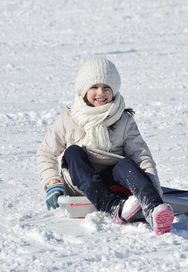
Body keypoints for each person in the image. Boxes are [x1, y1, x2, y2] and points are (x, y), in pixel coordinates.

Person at [36, 57, 174, 235]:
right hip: (80, 182)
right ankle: (114, 207)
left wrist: (153, 186)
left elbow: (141, 155)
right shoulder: (69, 119)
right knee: (73, 152)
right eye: (94, 87)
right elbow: (45, 153)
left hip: (113, 181)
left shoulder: (123, 120)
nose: (101, 93)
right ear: (83, 90)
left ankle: (153, 209)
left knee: (126, 164)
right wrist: (52, 182)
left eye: (106, 88)